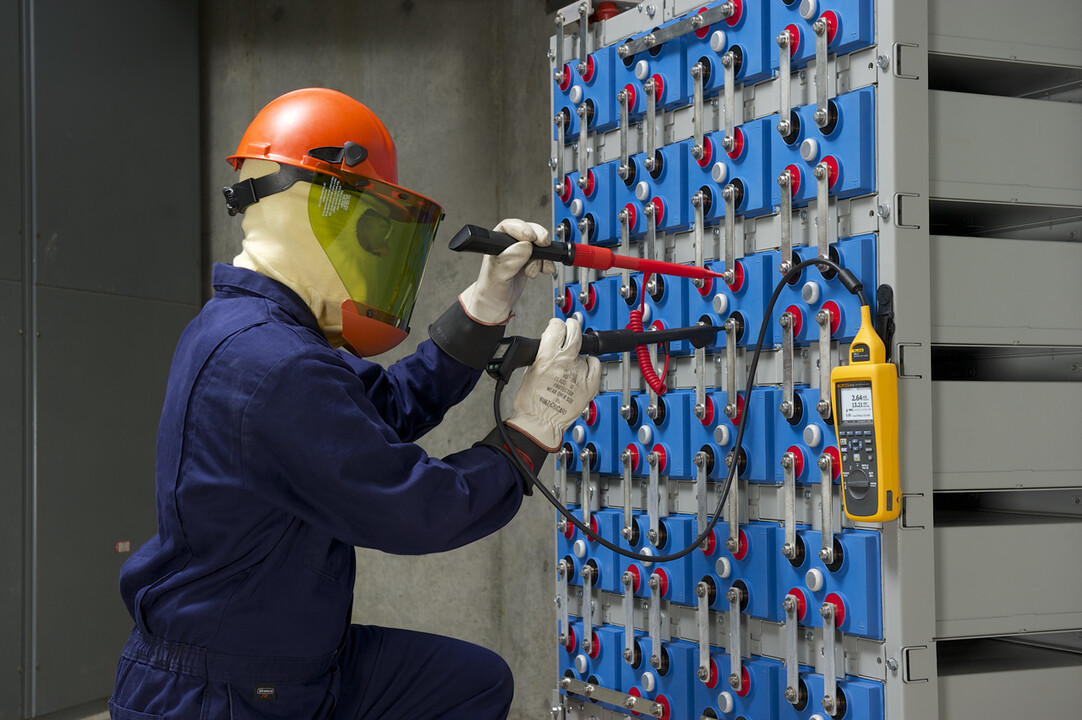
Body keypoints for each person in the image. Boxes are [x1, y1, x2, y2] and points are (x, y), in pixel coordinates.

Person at [108, 88, 600, 720]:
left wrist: (486, 306)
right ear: (310, 210)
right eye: (371, 224)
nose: (377, 249)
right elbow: (416, 510)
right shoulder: (271, 362)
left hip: (274, 658)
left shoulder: (248, 329)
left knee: (473, 683)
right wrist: (530, 431)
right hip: (223, 692)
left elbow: (382, 408)